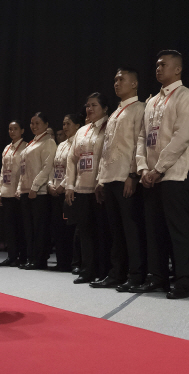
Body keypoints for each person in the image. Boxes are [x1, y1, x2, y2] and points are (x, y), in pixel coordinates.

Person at [132, 50, 189, 299]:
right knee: (154, 229)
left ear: (178, 69)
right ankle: (157, 277)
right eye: (157, 65)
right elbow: (142, 137)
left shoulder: (187, 96)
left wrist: (158, 168)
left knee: (177, 230)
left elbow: (182, 137)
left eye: (163, 65)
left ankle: (184, 280)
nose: (158, 68)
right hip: (151, 175)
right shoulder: (151, 101)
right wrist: (142, 169)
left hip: (174, 173)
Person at [92, 68, 147, 291]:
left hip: (126, 177)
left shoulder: (139, 109)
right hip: (110, 177)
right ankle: (117, 273)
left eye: (121, 79)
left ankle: (136, 275)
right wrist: (100, 179)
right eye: (115, 79)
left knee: (132, 230)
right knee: (115, 231)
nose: (116, 83)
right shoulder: (114, 113)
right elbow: (106, 149)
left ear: (134, 84)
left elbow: (138, 144)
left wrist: (133, 175)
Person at [66, 93, 111, 284]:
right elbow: (72, 158)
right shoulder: (82, 130)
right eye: (87, 106)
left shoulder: (110, 126)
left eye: (94, 105)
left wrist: (102, 180)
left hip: (100, 188)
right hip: (82, 188)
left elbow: (108, 156)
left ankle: (104, 270)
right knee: (84, 231)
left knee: (102, 231)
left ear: (105, 108)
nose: (89, 109)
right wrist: (69, 185)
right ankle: (87, 269)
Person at [17, 112, 57, 270]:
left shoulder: (48, 142)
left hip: (39, 192)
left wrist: (34, 187)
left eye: (37, 123)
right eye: (32, 123)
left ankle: (39, 259)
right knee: (29, 228)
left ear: (46, 125)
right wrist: (21, 188)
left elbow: (47, 168)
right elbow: (23, 169)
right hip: (27, 191)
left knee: (40, 228)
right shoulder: (31, 143)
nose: (33, 126)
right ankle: (31, 257)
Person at [48, 114, 84, 271]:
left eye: (68, 123)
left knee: (70, 229)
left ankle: (73, 262)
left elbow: (74, 168)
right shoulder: (61, 145)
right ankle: (61, 261)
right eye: (63, 124)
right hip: (56, 191)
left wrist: (63, 185)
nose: (65, 127)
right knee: (58, 228)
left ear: (77, 125)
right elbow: (53, 167)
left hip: (69, 190)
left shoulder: (78, 142)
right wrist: (50, 184)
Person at [0, 120, 27, 267]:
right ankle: (11, 255)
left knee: (20, 226)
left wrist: (20, 188)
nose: (12, 131)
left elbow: (24, 171)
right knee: (9, 227)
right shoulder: (7, 148)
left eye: (15, 129)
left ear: (22, 130)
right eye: (10, 129)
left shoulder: (26, 147)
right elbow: (3, 171)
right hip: (7, 191)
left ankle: (22, 256)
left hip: (19, 192)